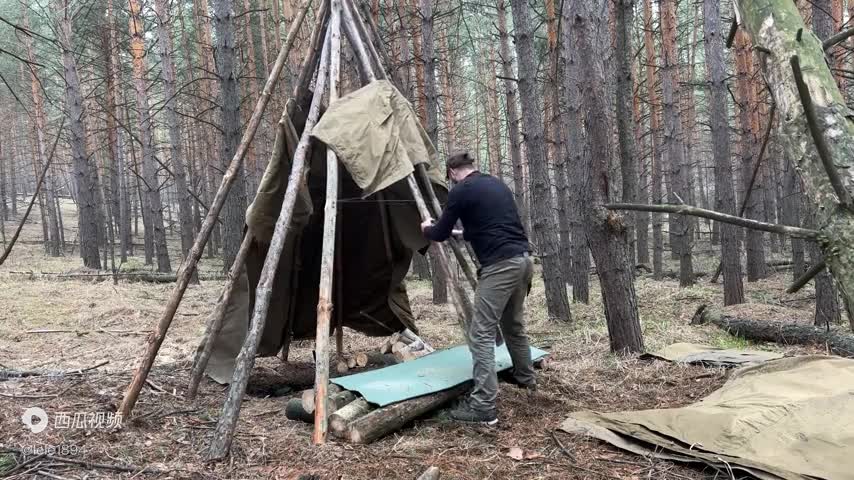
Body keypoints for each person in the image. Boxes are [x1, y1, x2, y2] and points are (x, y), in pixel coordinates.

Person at [421, 150, 536, 425]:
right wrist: (461, 234)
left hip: (500, 266)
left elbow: (438, 233)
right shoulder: (496, 184)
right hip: (523, 260)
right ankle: (526, 379)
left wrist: (427, 228)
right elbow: (493, 225)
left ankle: (484, 407)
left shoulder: (460, 191)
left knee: (481, 333)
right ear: (472, 166)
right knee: (513, 326)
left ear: (451, 173)